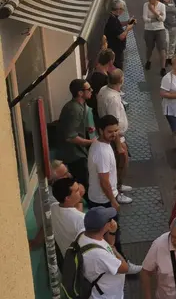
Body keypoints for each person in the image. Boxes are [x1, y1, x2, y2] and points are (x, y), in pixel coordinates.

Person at [87, 114, 132, 260]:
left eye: (116, 131)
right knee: (113, 233)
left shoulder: (100, 144)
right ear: (101, 131)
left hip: (99, 197)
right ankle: (121, 262)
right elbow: (104, 180)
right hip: (104, 200)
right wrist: (113, 200)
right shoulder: (102, 152)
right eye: (110, 131)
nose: (114, 134)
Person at [75, 207, 131, 297]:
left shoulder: (82, 233)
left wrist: (112, 233)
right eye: (109, 220)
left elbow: (107, 244)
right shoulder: (99, 255)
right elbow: (125, 268)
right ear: (105, 226)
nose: (112, 220)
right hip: (106, 295)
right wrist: (114, 249)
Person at [97, 69, 133, 204]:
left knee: (119, 164)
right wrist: (119, 145)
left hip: (112, 135)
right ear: (121, 81)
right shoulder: (112, 99)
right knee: (121, 164)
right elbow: (114, 124)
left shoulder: (103, 90)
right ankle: (117, 191)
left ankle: (119, 186)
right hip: (116, 138)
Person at [57, 79, 96, 191]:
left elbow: (73, 126)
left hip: (78, 152)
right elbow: (70, 137)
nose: (91, 90)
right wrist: (91, 142)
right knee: (83, 182)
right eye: (89, 89)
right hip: (74, 155)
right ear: (80, 93)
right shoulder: (74, 109)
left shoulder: (80, 106)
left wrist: (84, 128)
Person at [50, 177, 85, 256]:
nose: (80, 191)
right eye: (77, 191)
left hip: (66, 258)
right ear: (67, 198)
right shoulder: (81, 219)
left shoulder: (53, 208)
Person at [143, 0, 169, 76]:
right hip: (149, 30)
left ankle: (163, 67)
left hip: (160, 29)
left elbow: (163, 19)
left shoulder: (162, 6)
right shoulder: (145, 5)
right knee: (149, 48)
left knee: (162, 48)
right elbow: (145, 19)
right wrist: (157, 16)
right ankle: (148, 60)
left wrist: (153, 11)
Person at [104, 0, 134, 70]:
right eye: (122, 10)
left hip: (114, 49)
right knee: (117, 69)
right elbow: (121, 36)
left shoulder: (112, 17)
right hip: (115, 51)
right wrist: (128, 28)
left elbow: (118, 25)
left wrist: (127, 22)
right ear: (118, 9)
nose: (123, 12)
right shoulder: (112, 20)